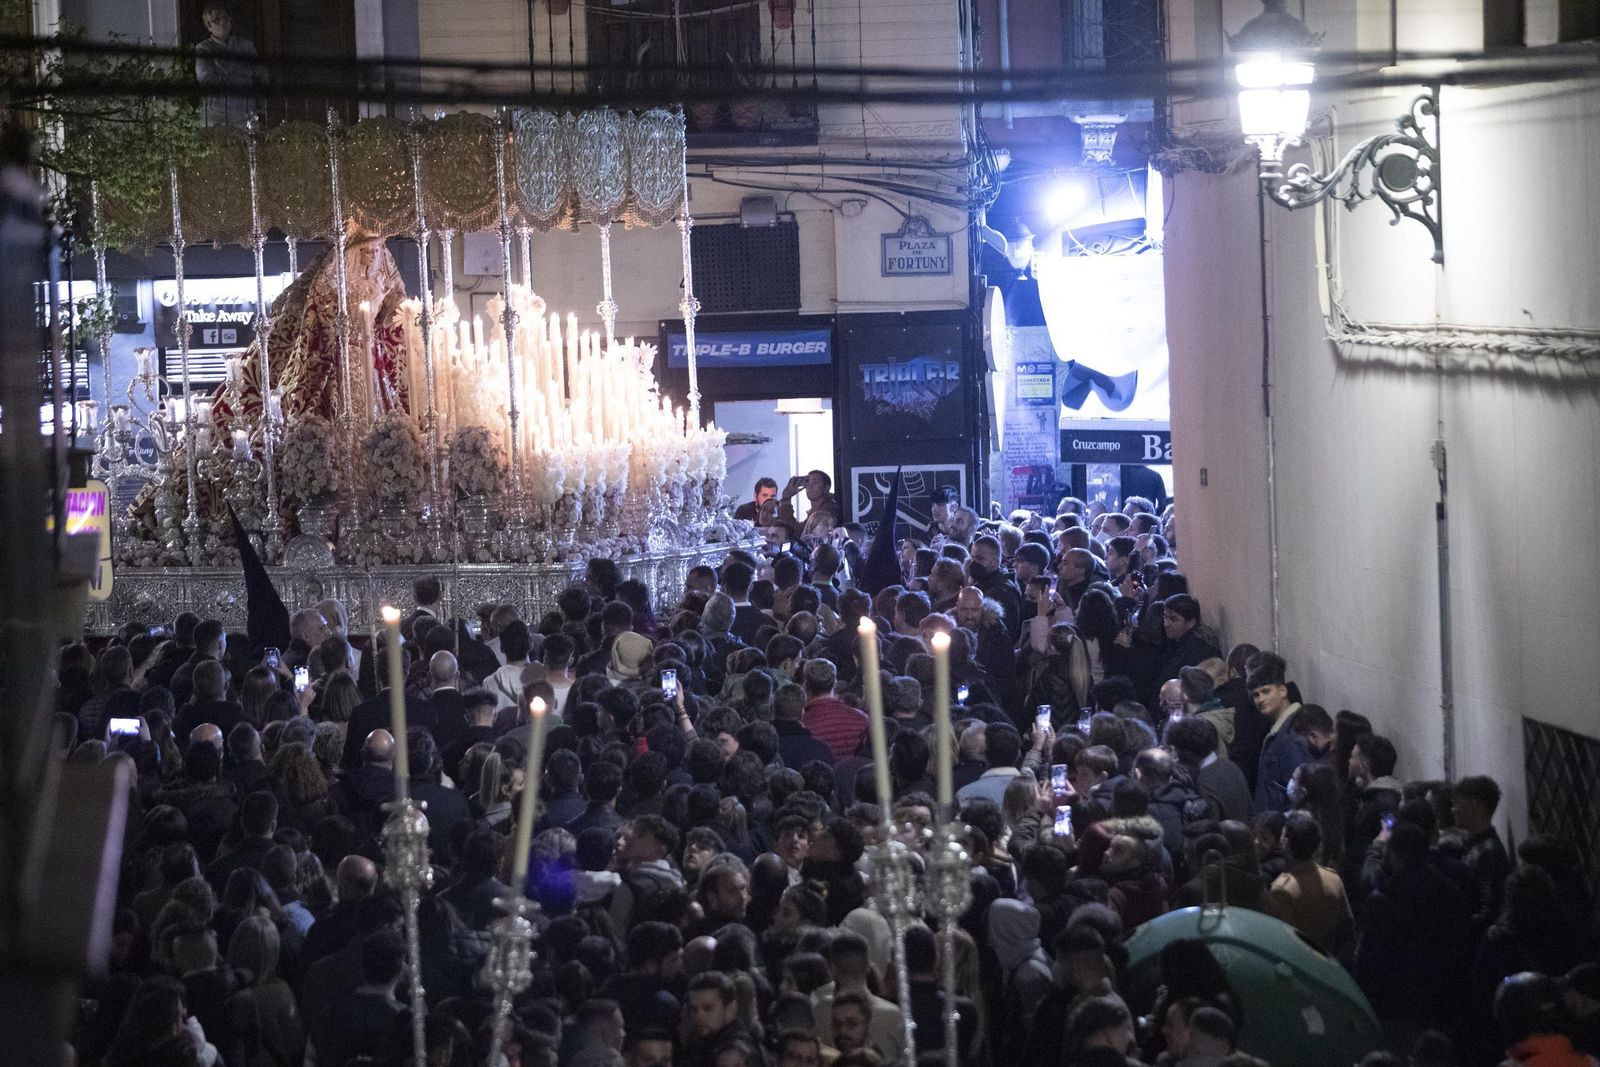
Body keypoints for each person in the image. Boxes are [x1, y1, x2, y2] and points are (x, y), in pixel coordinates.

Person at [1264, 811, 1356, 959]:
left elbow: (1288, 941)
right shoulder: (1333, 878)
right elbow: (1347, 927)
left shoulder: (1282, 890)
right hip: (1329, 961)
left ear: (1285, 843)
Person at [194, 3, 263, 127]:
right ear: (209, 26)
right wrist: (242, 79)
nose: (222, 23)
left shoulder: (246, 45)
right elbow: (207, 79)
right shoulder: (204, 49)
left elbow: (259, 72)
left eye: (225, 19)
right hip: (217, 115)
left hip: (246, 112)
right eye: (217, 20)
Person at [777, 470, 841, 541]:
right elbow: (797, 530)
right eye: (807, 482)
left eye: (815, 482)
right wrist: (786, 499)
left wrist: (786, 499)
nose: (809, 486)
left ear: (826, 488)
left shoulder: (827, 511)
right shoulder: (816, 509)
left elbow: (796, 533)